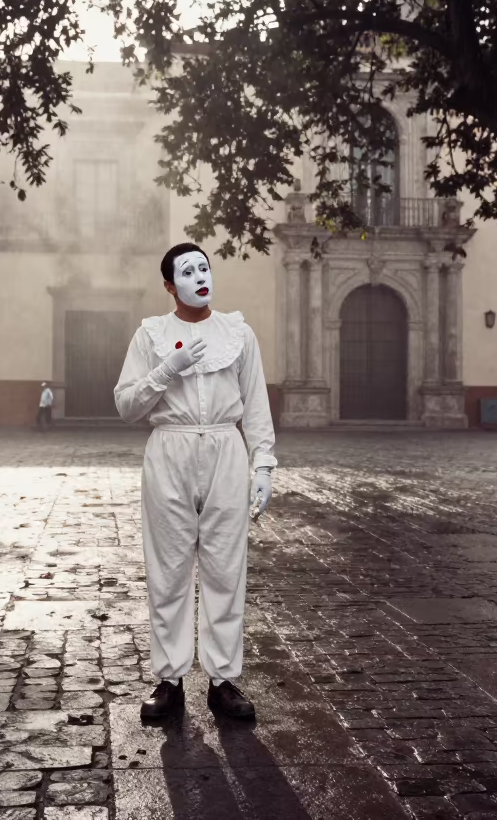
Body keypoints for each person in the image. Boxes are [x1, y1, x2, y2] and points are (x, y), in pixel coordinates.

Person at [114, 242, 276, 722]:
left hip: (226, 449)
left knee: (226, 566)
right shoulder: (151, 335)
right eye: (187, 271)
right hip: (170, 449)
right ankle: (169, 680)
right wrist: (168, 369)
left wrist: (262, 465)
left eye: (205, 267)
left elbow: (257, 404)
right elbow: (126, 406)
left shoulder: (238, 334)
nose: (200, 276)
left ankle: (223, 680)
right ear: (169, 285)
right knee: (169, 568)